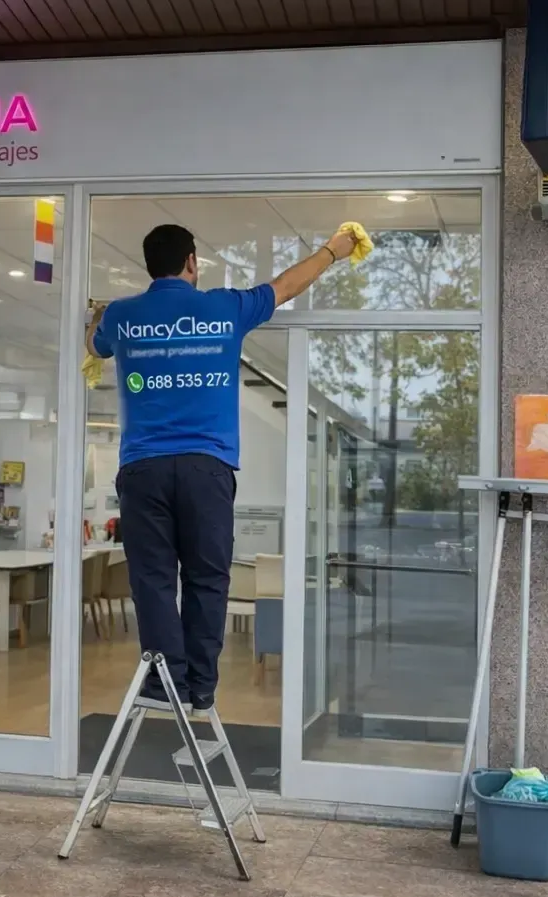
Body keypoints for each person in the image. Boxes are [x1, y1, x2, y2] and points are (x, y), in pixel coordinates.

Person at [87, 222, 358, 710]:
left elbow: (94, 346)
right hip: (205, 470)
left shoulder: (124, 315)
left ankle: (165, 682)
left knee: (152, 580)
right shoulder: (223, 307)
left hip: (144, 470)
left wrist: (97, 317)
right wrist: (332, 251)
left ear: (150, 265)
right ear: (192, 261)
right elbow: (287, 286)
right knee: (208, 578)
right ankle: (200, 685)